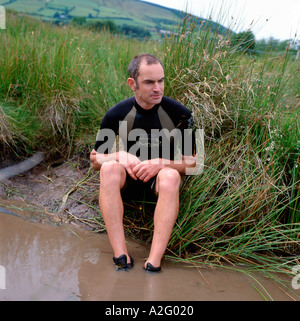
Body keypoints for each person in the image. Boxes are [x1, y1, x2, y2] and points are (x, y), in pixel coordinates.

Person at [90, 53, 197, 272]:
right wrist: (119, 155)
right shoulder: (117, 113)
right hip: (127, 182)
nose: (157, 88)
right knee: (109, 168)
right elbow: (94, 159)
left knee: (170, 175)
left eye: (161, 80)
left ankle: (154, 262)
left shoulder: (180, 114)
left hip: (159, 186)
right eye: (149, 82)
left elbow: (196, 163)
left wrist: (161, 163)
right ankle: (120, 255)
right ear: (133, 84)